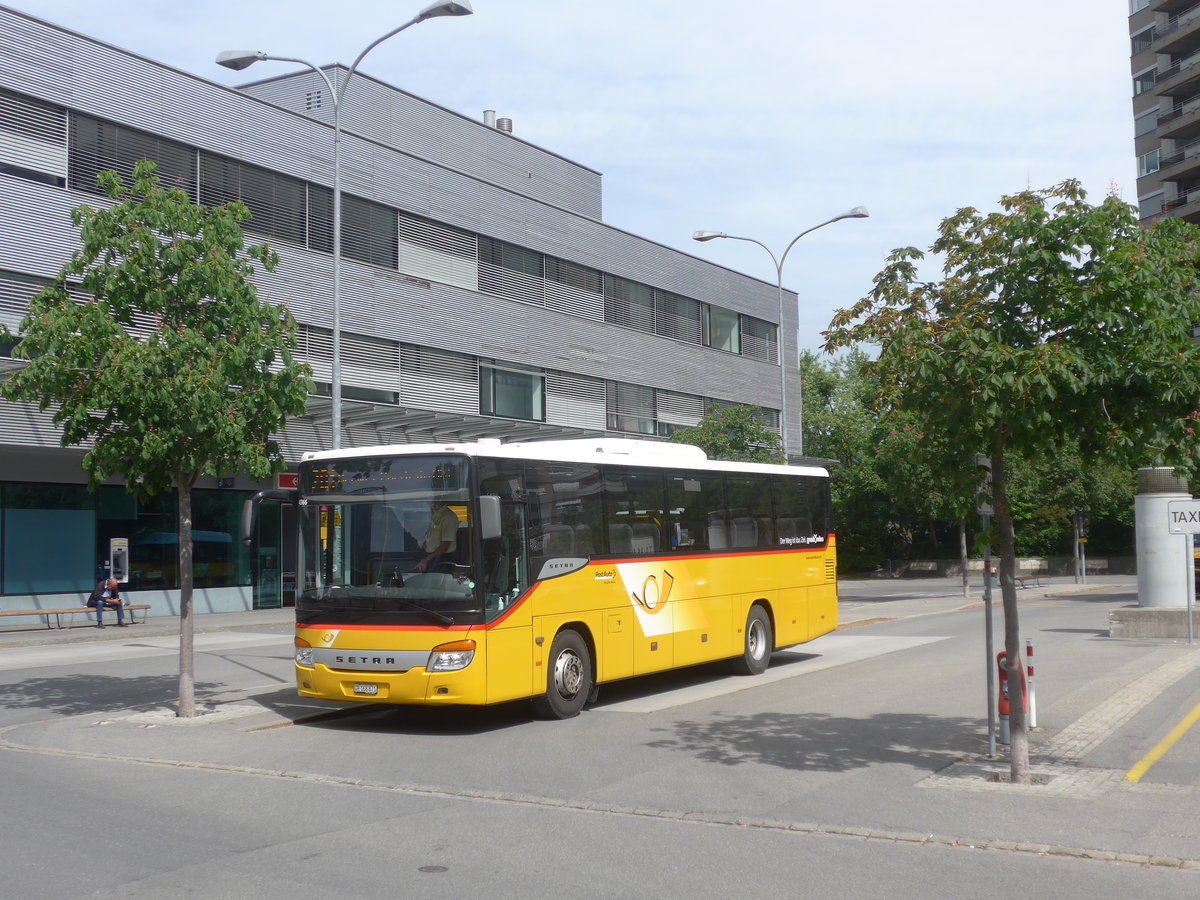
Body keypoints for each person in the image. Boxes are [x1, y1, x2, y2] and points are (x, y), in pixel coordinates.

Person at [414, 500, 458, 572]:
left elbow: (445, 546)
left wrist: (427, 559)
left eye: (431, 500)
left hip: (441, 560)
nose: (428, 503)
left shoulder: (449, 517)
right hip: (427, 555)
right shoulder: (431, 514)